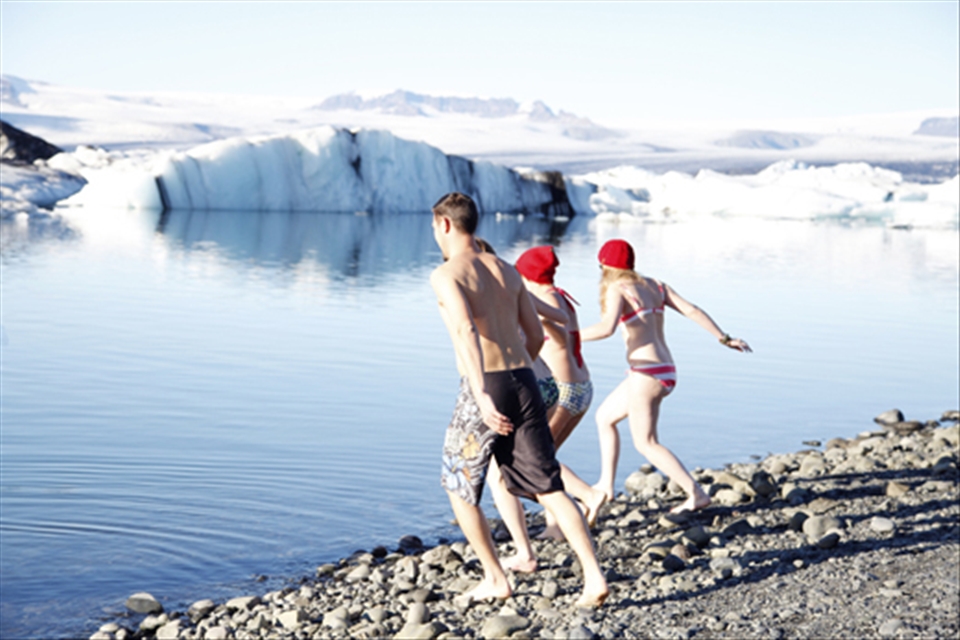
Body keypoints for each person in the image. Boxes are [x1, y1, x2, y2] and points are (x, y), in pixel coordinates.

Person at [430, 193, 608, 607]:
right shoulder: (507, 270)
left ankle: (495, 578)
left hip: (485, 386)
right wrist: (517, 374)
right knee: (548, 485)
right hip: (525, 379)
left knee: (458, 483)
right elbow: (534, 335)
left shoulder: (446, 274)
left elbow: (465, 332)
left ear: (444, 224)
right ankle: (594, 577)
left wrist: (482, 392)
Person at [581, 239, 751, 513]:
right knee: (604, 418)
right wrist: (724, 338)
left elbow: (606, 328)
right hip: (664, 369)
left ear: (605, 266)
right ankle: (606, 486)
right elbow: (691, 310)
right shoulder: (656, 285)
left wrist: (569, 337)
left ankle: (695, 493)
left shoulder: (617, 288)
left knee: (646, 443)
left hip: (646, 373)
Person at [488, 247, 607, 567]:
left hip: (564, 391)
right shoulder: (562, 297)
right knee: (546, 456)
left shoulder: (543, 301)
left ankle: (588, 494)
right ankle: (556, 525)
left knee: (531, 464)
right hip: (582, 387)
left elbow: (534, 334)